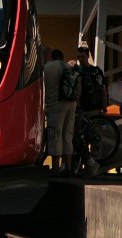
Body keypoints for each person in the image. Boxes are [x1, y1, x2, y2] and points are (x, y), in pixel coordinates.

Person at [73, 46, 108, 176]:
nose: (80, 59)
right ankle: (84, 164)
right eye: (79, 57)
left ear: (88, 56)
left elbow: (102, 89)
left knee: (95, 138)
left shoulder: (95, 71)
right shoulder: (75, 70)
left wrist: (104, 108)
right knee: (79, 139)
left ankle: (94, 166)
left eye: (82, 56)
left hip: (94, 109)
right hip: (80, 109)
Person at [44, 49, 77, 177]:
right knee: (68, 135)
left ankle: (55, 167)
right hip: (71, 104)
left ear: (52, 57)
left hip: (55, 106)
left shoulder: (48, 68)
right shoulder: (69, 67)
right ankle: (68, 167)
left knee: (55, 135)